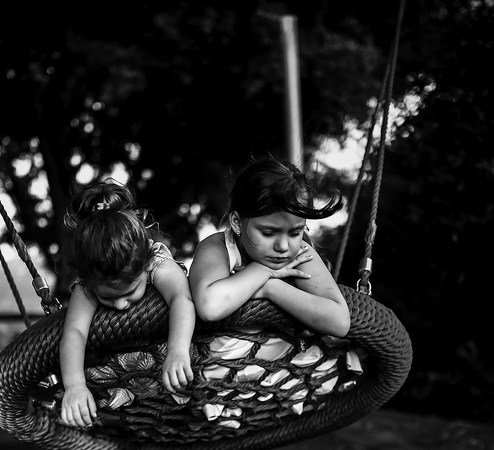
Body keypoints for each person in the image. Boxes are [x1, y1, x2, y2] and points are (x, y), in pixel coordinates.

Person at [59, 179, 195, 428]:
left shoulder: (156, 260)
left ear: (144, 264)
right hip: (123, 368)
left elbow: (181, 299)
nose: (121, 305)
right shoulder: (88, 282)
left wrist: (177, 350)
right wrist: (74, 385)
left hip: (162, 354)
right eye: (108, 297)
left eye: (130, 291)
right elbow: (75, 332)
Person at [189, 157, 351, 337]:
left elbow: (340, 323)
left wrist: (271, 288)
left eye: (295, 233)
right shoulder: (219, 247)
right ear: (236, 223)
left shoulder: (300, 254)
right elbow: (209, 307)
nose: (283, 246)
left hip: (290, 360)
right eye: (268, 233)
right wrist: (262, 271)